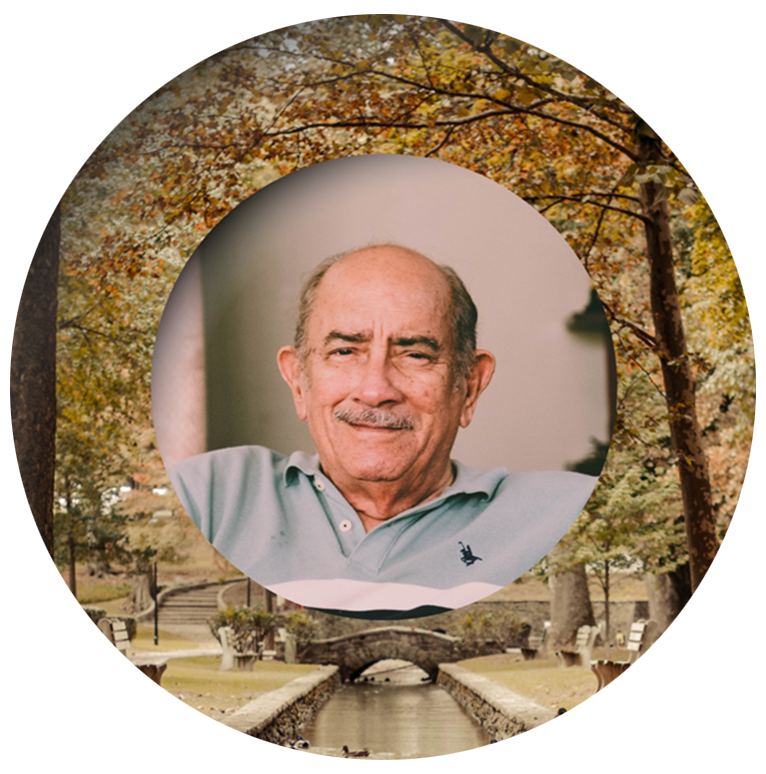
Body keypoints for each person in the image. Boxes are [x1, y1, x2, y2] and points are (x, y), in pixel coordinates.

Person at [169, 244, 597, 617]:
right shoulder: (209, 494)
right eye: (344, 351)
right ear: (298, 380)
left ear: (469, 385)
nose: (375, 390)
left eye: (414, 354)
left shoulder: (566, 510)